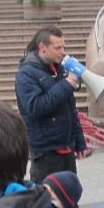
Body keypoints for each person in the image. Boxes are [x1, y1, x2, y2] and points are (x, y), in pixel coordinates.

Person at [15, 26, 91, 183]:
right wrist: (66, 85)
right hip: (46, 153)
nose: (63, 51)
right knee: (45, 201)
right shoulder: (26, 74)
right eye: (58, 47)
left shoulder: (60, 68)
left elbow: (71, 109)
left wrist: (79, 142)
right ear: (42, 47)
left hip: (67, 148)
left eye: (63, 46)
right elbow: (35, 107)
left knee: (69, 197)